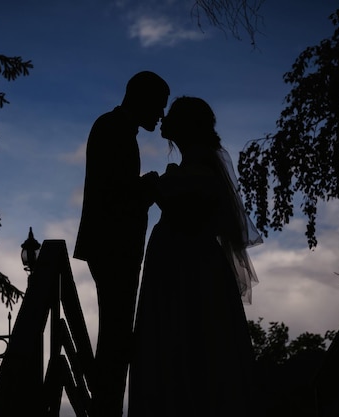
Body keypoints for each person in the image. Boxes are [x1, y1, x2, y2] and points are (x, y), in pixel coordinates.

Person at [127, 96, 263, 417]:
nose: (163, 118)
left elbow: (190, 216)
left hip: (187, 270)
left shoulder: (200, 168)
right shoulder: (195, 165)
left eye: (170, 114)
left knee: (186, 340)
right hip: (182, 265)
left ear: (185, 125)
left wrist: (158, 189)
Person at [73, 71, 170, 417]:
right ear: (141, 99)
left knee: (116, 333)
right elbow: (116, 196)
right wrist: (149, 186)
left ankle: (106, 404)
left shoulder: (114, 128)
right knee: (116, 336)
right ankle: (107, 407)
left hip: (112, 247)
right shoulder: (113, 130)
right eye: (158, 106)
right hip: (112, 248)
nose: (160, 116)